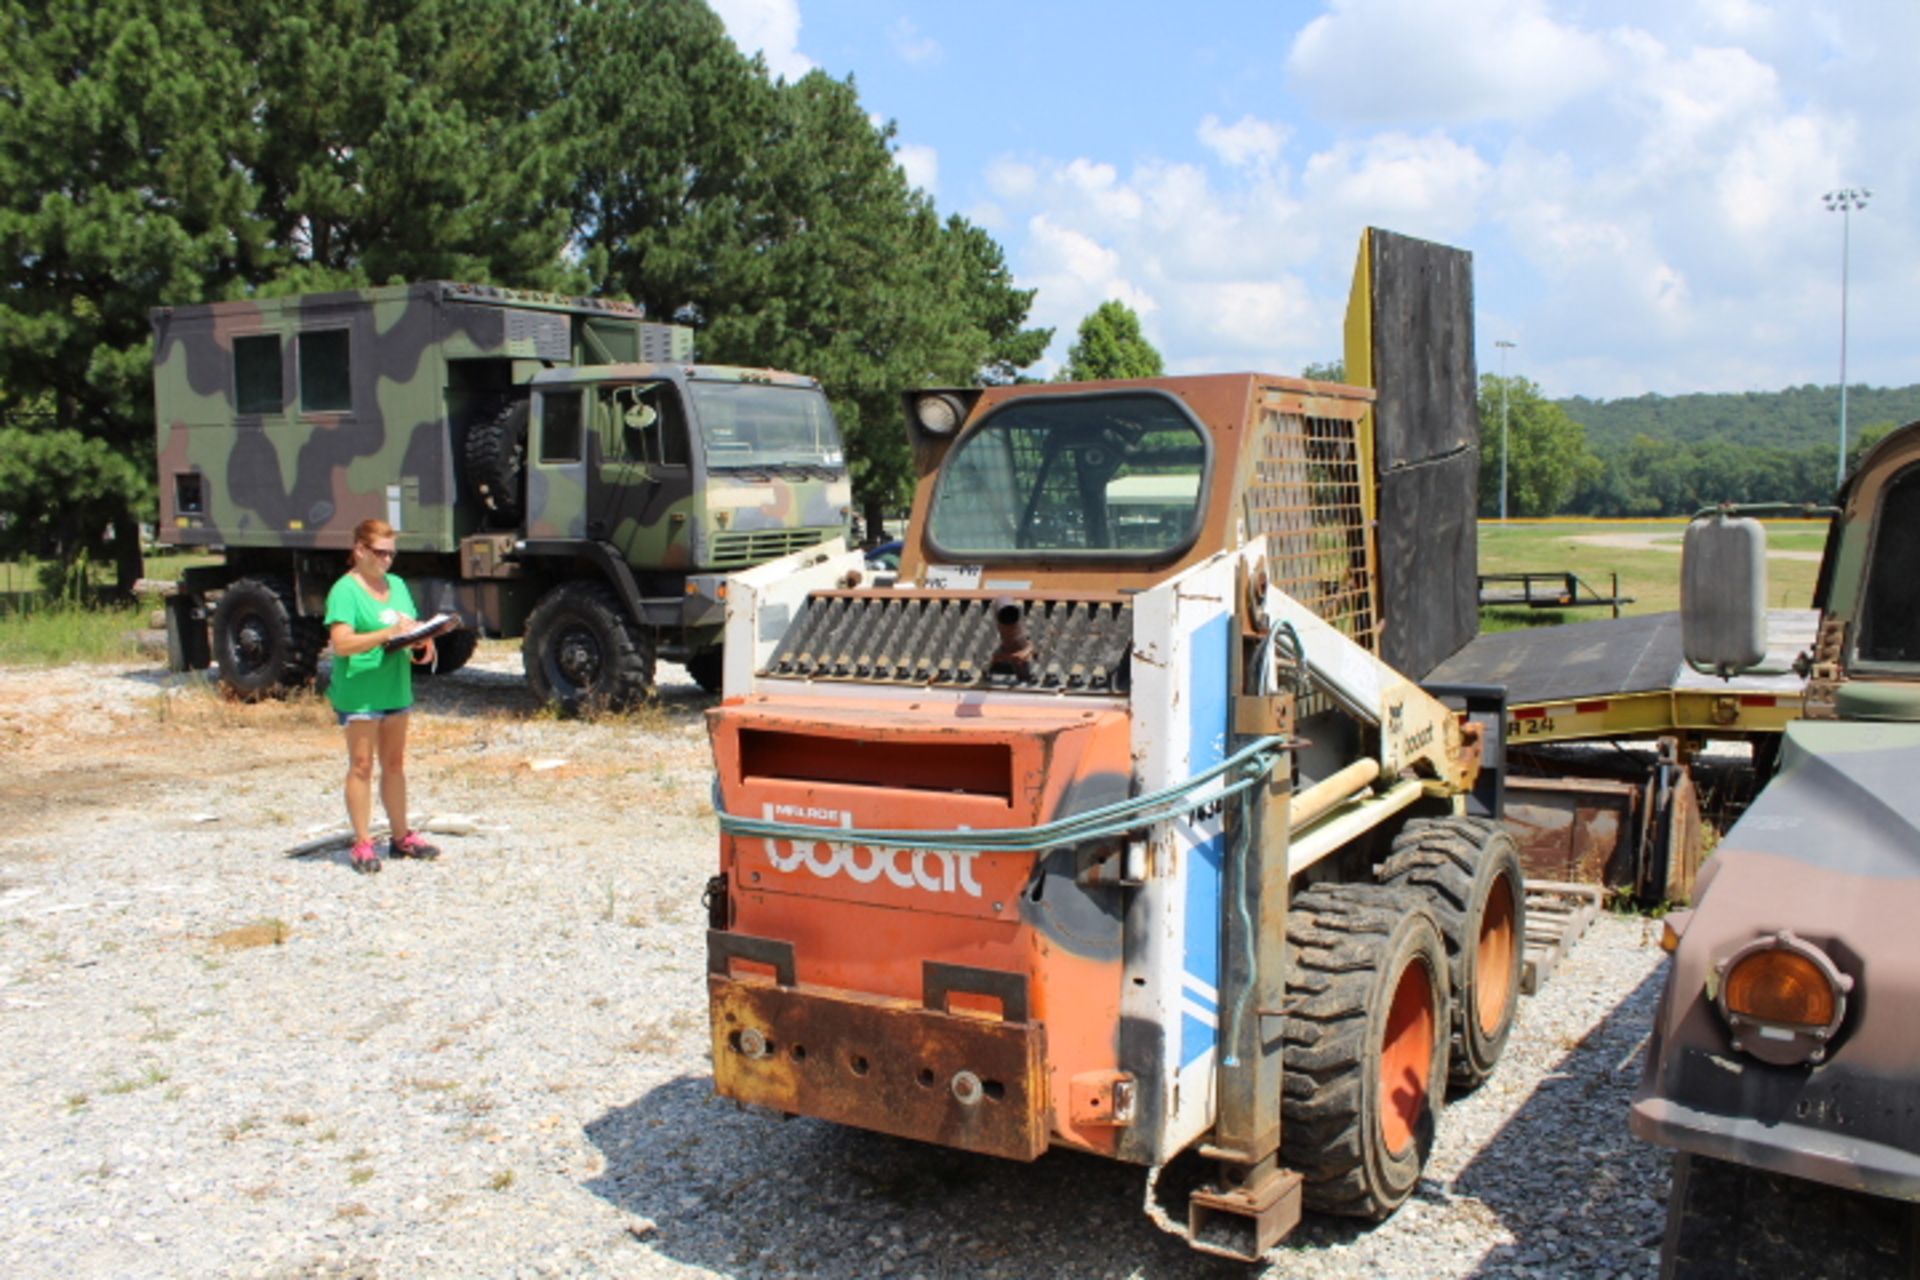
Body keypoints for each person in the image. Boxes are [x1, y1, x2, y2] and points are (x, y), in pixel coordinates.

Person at [325, 518, 441, 874]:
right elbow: (341, 643)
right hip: (360, 691)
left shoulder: (398, 585)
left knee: (395, 764)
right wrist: (385, 635)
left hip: (395, 687)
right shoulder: (345, 591)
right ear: (360, 550)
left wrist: (424, 640)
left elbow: (407, 625)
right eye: (380, 553)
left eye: (391, 554)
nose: (387, 561)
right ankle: (362, 842)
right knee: (361, 765)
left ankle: (401, 835)